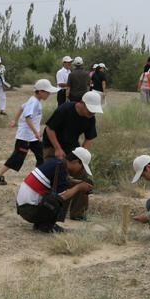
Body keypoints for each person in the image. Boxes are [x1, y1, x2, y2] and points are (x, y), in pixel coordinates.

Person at [42, 90, 104, 221]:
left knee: (84, 175)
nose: (91, 114)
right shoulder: (64, 109)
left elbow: (89, 138)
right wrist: (57, 149)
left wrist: (83, 156)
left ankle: (78, 213)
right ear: (82, 103)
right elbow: (49, 129)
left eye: (93, 111)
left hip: (71, 147)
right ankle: (51, 210)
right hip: (53, 145)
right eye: (89, 110)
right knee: (57, 176)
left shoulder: (91, 117)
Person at [0, 78, 58, 185]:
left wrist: (15, 120)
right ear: (40, 92)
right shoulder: (33, 102)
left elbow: (21, 108)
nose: (49, 94)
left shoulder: (34, 100)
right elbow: (28, 117)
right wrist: (36, 132)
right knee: (17, 157)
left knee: (41, 155)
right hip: (25, 137)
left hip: (32, 138)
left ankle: (40, 177)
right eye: (47, 92)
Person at [15, 148, 95, 234]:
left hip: (24, 207)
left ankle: (42, 223)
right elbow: (62, 196)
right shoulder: (61, 168)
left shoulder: (57, 163)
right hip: (29, 210)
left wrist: (79, 183)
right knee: (59, 197)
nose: (81, 170)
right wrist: (79, 187)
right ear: (75, 161)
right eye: (82, 167)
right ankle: (46, 226)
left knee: (59, 193)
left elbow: (62, 182)